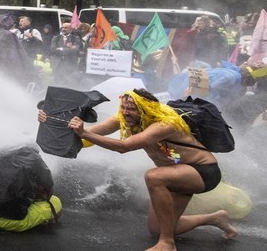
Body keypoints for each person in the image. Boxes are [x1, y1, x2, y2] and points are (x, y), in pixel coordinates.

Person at [44, 89, 238, 249]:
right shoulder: (125, 118)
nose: (126, 112)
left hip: (203, 171)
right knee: (158, 227)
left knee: (154, 177)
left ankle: (167, 243)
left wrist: (84, 132)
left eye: (132, 109)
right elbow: (89, 134)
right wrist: (49, 121)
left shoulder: (164, 124)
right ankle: (215, 218)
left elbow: (124, 147)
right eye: (124, 107)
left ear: (146, 109)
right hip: (175, 175)